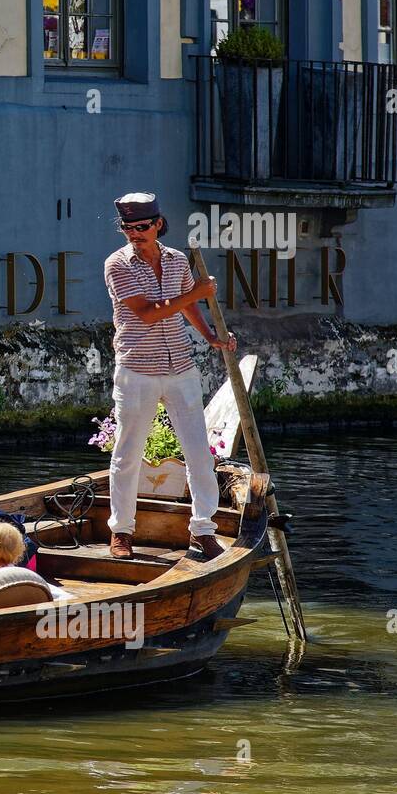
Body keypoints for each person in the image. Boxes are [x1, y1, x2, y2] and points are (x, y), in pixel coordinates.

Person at [104, 192, 238, 561]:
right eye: (128, 228)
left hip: (180, 366)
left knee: (198, 452)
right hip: (137, 369)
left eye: (142, 227)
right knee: (127, 453)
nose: (135, 233)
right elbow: (148, 314)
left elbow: (188, 305)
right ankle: (121, 531)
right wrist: (196, 290)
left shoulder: (177, 259)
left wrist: (211, 336)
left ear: (158, 224)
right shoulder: (117, 265)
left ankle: (204, 530)